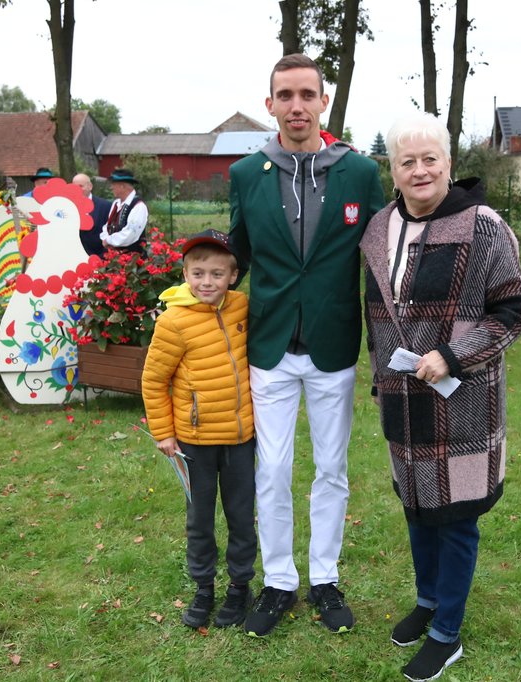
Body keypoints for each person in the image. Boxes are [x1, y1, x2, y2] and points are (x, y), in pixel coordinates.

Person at [359, 112, 521, 681]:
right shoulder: (379, 229)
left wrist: (453, 355)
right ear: (393, 171)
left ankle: (446, 633)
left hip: (463, 403)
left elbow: (514, 312)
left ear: (449, 164)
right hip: (403, 401)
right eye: (406, 161)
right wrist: (380, 379)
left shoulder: (483, 226)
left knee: (455, 518)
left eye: (429, 158)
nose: (420, 170)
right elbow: (377, 315)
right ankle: (428, 600)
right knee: (417, 508)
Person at [228, 53, 385, 638]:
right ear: (270, 104)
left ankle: (324, 577)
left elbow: (383, 258)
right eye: (285, 95)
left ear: (324, 102)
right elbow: (236, 257)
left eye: (307, 95)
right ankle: (278, 582)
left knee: (332, 468)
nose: (297, 106)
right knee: (271, 470)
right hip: (269, 345)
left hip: (332, 344)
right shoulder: (246, 174)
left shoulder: (360, 173)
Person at [141, 228, 257, 630]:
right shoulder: (173, 322)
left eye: (217, 274)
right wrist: (163, 432)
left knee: (241, 515)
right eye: (198, 273)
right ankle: (204, 586)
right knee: (200, 519)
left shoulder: (242, 307)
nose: (207, 282)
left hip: (240, 439)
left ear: (233, 276)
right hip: (194, 442)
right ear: (185, 274)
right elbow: (154, 380)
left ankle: (240, 586)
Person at [102, 168, 148, 253]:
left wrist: (109, 240)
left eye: (113, 184)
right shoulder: (116, 203)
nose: (111, 187)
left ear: (122, 186)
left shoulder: (138, 206)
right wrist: (105, 238)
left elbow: (130, 234)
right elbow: (107, 225)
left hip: (134, 258)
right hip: (115, 256)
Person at [72, 173, 110, 257]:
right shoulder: (68, 206)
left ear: (90, 186)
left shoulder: (105, 206)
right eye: (75, 187)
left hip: (98, 257)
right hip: (73, 257)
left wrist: (102, 257)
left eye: (81, 186)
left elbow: (110, 232)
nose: (77, 190)